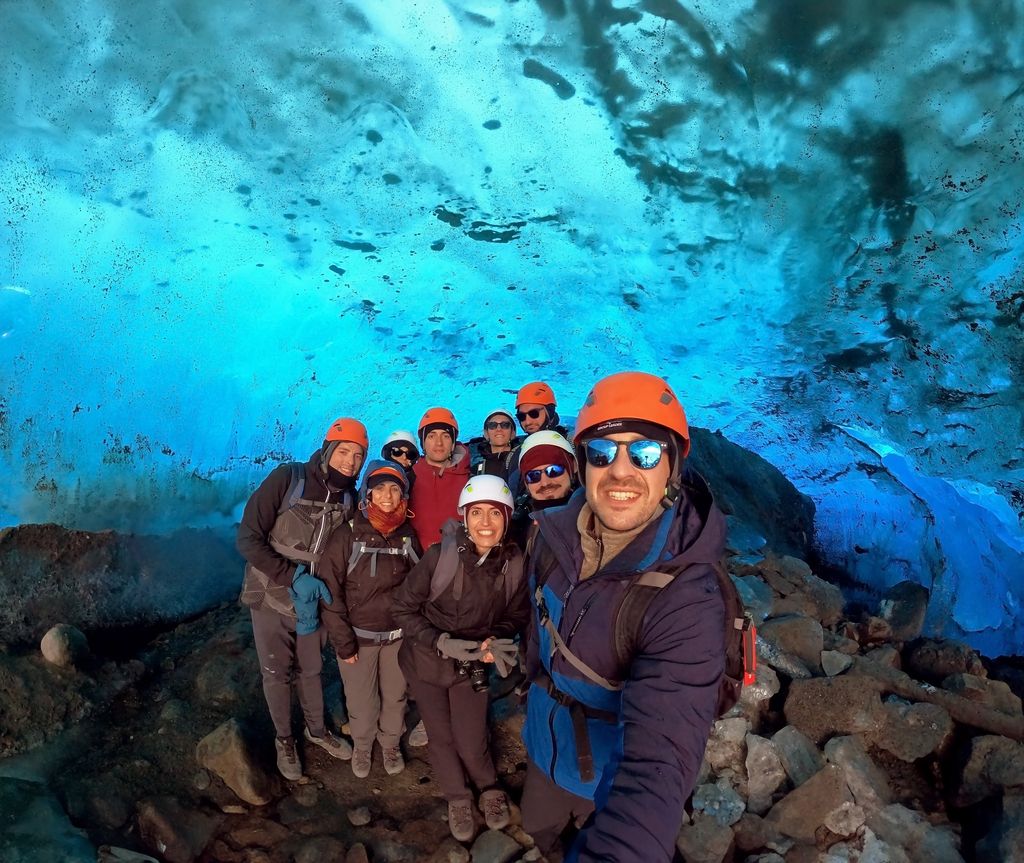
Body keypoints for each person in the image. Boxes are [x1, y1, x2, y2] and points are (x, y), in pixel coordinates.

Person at [520, 372, 727, 862]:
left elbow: (655, 765)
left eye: (646, 453)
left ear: (673, 467)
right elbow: (537, 628)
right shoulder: (551, 537)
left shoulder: (687, 598)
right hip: (545, 741)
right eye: (601, 452)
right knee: (540, 824)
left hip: (610, 763)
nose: (620, 470)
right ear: (582, 464)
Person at [392, 475, 531, 843]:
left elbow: (517, 613)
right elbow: (403, 609)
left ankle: (488, 786)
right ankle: (457, 796)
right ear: (465, 519)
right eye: (477, 513)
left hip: (473, 664)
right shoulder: (440, 557)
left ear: (506, 518)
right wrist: (439, 641)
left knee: (471, 735)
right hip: (426, 661)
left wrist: (496, 638)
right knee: (440, 735)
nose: (486, 522)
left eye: (495, 514)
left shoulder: (513, 563)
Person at [237, 417, 366, 780]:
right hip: (269, 595)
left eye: (358, 456)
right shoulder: (288, 479)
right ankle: (284, 740)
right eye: (344, 452)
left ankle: (317, 730)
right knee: (277, 671)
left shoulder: (348, 497)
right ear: (327, 450)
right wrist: (292, 576)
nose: (350, 461)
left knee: (311, 669)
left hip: (315, 600)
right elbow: (248, 539)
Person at [319, 460, 421, 779]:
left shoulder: (407, 536)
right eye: (380, 489)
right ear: (368, 494)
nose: (388, 496)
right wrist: (344, 641)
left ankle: (389, 742)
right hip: (358, 639)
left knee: (395, 696)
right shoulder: (346, 536)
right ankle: (363, 745)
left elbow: (420, 587)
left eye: (394, 489)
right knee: (361, 701)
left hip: (397, 638)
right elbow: (329, 593)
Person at [408, 407, 471, 551]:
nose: (439, 443)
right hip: (417, 566)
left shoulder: (471, 480)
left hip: (460, 565)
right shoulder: (408, 479)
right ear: (423, 442)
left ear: (453, 442)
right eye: (431, 436)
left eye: (446, 436)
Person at [507, 430, 579, 548]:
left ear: (573, 468)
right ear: (526, 483)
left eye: (554, 470)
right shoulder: (518, 530)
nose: (545, 482)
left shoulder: (592, 521)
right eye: (533, 476)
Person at [468, 408, 521, 479]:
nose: (499, 429)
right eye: (492, 425)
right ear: (486, 434)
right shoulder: (474, 466)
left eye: (505, 425)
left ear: (513, 433)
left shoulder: (522, 459)